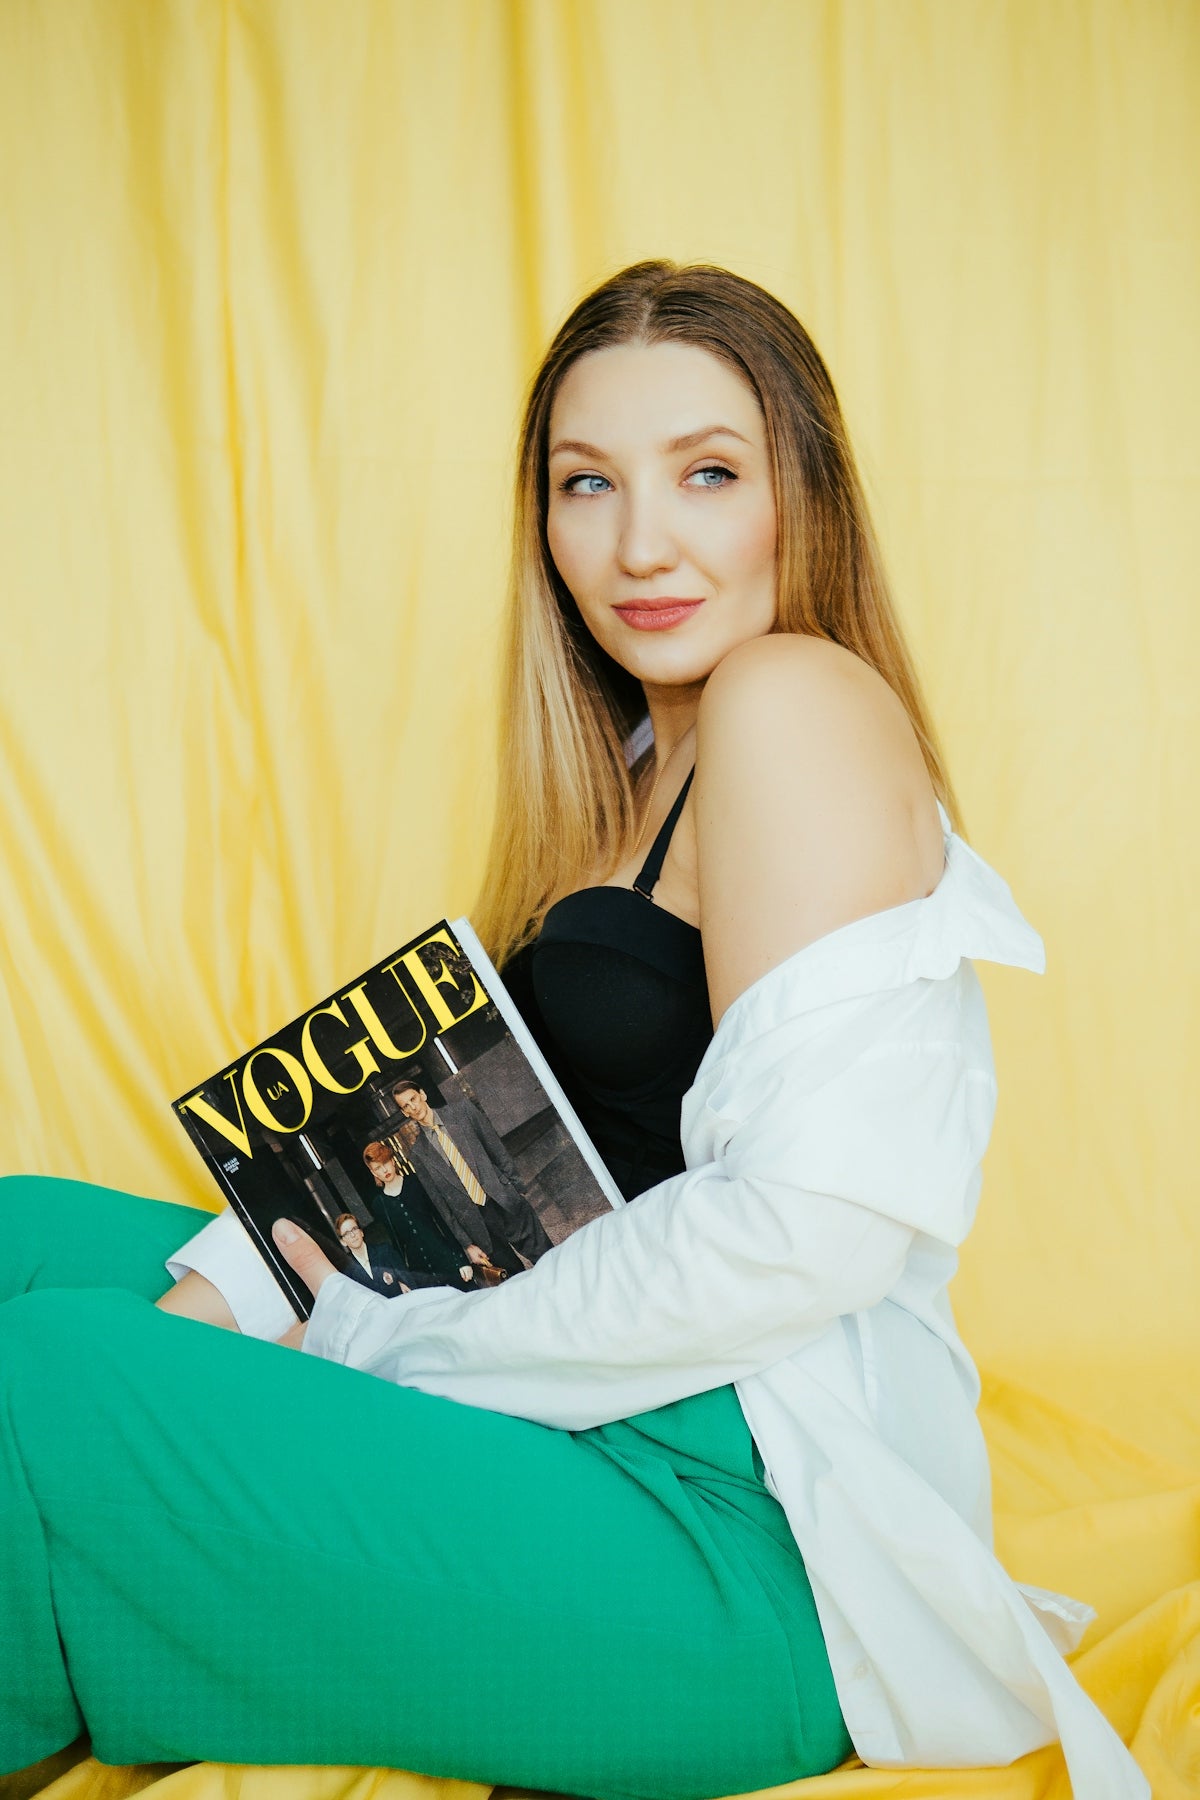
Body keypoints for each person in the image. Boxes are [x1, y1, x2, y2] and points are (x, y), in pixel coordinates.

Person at [0, 261, 1147, 1800]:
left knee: (50, 1377)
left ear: (800, 496)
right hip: (587, 1415)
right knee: (26, 1248)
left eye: (708, 475)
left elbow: (807, 1234)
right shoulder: (625, 762)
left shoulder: (792, 701)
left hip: (746, 1545)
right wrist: (255, 1285)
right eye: (586, 483)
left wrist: (372, 1349)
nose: (640, 543)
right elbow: (443, 1173)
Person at [388, 1078, 552, 1271]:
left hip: (504, 1200)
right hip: (478, 1225)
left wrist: (517, 1189)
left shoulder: (463, 1112)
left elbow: (496, 1149)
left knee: (548, 1259)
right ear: (404, 1112)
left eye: (413, 1099)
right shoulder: (418, 1154)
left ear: (422, 1094)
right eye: (406, 1106)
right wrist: (466, 1244)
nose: (413, 1107)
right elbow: (441, 1204)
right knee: (515, 1280)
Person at [360, 1140, 490, 1291]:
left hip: (447, 1260)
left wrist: (462, 1260)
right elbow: (397, 1244)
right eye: (377, 1168)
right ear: (373, 1172)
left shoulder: (417, 1182)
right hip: (421, 1273)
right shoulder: (379, 1204)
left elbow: (442, 1220)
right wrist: (404, 1279)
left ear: (393, 1161)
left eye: (386, 1162)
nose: (384, 1170)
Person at [333, 1211, 430, 1297]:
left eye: (354, 1229)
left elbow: (408, 1281)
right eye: (346, 1233)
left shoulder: (384, 1251)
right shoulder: (348, 1272)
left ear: (361, 1232)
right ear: (343, 1241)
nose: (353, 1235)